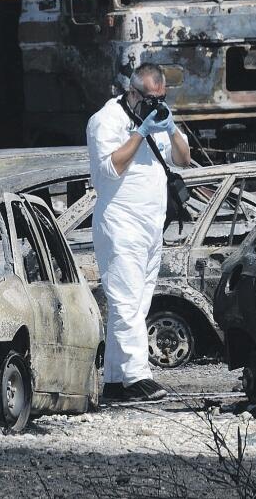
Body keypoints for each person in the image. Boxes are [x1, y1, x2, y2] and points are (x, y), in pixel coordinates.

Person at [86, 62, 191, 401]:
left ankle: (115, 382)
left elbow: (184, 159)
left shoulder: (158, 118)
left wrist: (171, 128)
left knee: (136, 305)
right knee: (126, 302)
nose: (154, 103)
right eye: (148, 98)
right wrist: (140, 132)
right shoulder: (106, 120)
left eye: (160, 98)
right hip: (120, 224)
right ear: (132, 92)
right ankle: (138, 375)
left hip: (151, 225)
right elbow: (109, 170)